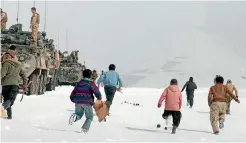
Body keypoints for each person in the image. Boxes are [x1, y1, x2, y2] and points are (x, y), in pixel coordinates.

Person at [69, 69, 102, 133]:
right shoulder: (91, 83)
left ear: (83, 75)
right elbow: (96, 91)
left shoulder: (79, 83)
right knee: (89, 117)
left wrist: (73, 99)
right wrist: (99, 97)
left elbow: (74, 92)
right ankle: (84, 129)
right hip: (87, 102)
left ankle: (75, 116)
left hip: (78, 102)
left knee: (79, 114)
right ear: (90, 76)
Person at [1, 45, 28, 119]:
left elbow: (2, 74)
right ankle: (3, 109)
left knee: (7, 100)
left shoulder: (6, 63)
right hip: (15, 85)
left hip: (6, 85)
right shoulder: (18, 65)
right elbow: (24, 76)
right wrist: (25, 85)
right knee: (10, 101)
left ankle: (9, 116)